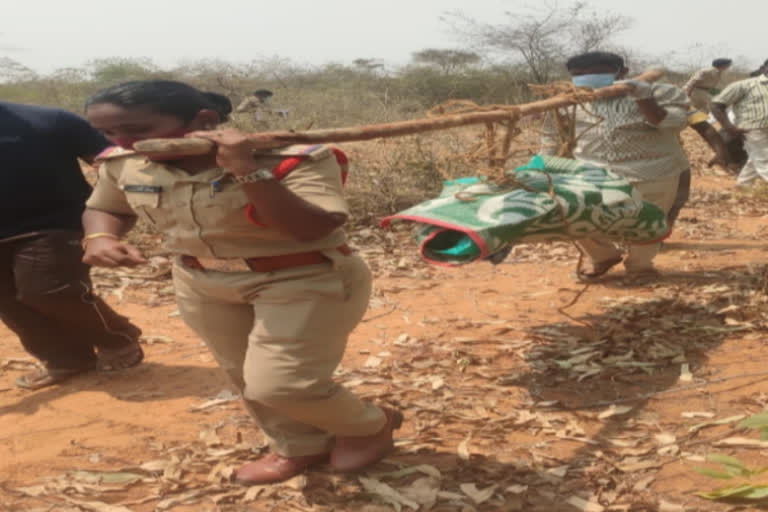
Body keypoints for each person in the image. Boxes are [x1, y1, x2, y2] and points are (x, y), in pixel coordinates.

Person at [81, 80, 401, 484]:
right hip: (202, 282)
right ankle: (298, 446)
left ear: (204, 121)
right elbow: (105, 207)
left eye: (138, 131)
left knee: (282, 383)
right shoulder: (123, 162)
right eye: (108, 133)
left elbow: (311, 227)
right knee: (245, 377)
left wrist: (248, 171)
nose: (123, 142)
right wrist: (101, 237)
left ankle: (370, 426)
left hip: (301, 277)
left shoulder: (293, 158)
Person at [0, 101, 143, 390]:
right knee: (8, 301)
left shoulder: (50, 119)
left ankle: (119, 339)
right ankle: (66, 359)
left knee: (47, 290)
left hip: (54, 223)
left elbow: (115, 166)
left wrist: (110, 223)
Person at [541, 52, 690, 281]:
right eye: (579, 75)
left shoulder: (662, 92)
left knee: (649, 220)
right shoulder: (568, 101)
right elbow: (552, 137)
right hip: (592, 172)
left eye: (597, 73)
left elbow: (673, 121)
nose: (587, 79)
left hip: (654, 169)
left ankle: (640, 267)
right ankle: (602, 256)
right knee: (569, 213)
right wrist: (543, 168)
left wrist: (643, 97)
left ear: (622, 72)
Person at [711, 66, 768, 185]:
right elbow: (716, 105)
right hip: (752, 130)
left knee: (756, 159)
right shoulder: (744, 85)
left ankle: (743, 185)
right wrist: (729, 127)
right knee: (764, 160)